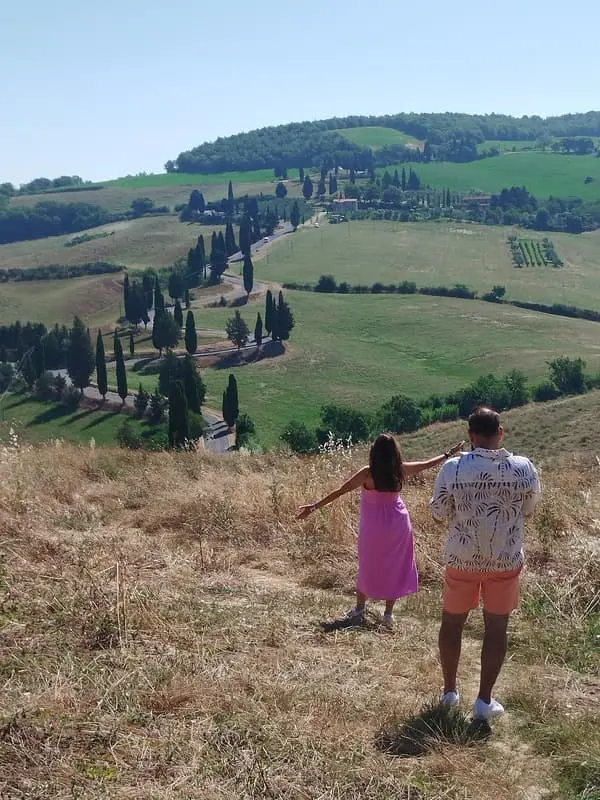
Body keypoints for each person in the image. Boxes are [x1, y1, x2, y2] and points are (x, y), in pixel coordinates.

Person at [430, 407, 541, 721]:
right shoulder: (523, 467)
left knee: (452, 623)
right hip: (504, 558)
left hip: (462, 557)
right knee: (497, 628)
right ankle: (484, 701)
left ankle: (450, 691)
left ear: (471, 436)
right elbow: (530, 509)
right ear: (501, 432)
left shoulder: (453, 468)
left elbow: (439, 511)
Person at [297, 433, 464, 629]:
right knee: (396, 566)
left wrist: (314, 507)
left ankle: (359, 609)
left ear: (374, 452)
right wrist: (448, 454)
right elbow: (427, 464)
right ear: (395, 452)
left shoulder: (367, 473)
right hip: (398, 524)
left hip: (373, 528)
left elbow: (341, 491)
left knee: (367, 565)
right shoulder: (399, 470)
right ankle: (388, 614)